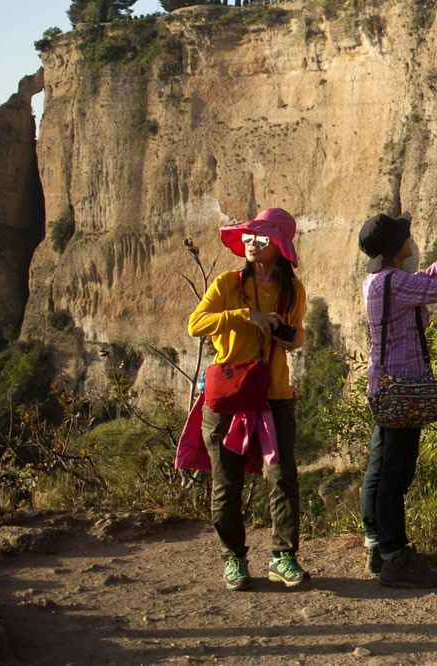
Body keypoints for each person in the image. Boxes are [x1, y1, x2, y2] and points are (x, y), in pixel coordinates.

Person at [357, 209, 437, 588]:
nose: (411, 240)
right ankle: (396, 559)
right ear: (397, 248)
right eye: (405, 237)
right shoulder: (396, 284)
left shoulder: (380, 281)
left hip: (384, 386)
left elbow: (423, 279)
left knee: (380, 471)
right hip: (404, 388)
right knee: (396, 476)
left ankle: (378, 548)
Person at [187, 206, 309, 591]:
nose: (252, 244)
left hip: (274, 396)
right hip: (229, 397)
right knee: (226, 483)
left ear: (279, 247)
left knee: (283, 477)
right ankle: (234, 559)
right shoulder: (227, 284)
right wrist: (246, 316)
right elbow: (196, 324)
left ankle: (283, 556)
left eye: (262, 238)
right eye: (249, 237)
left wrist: (286, 333)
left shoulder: (293, 290)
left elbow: (299, 337)